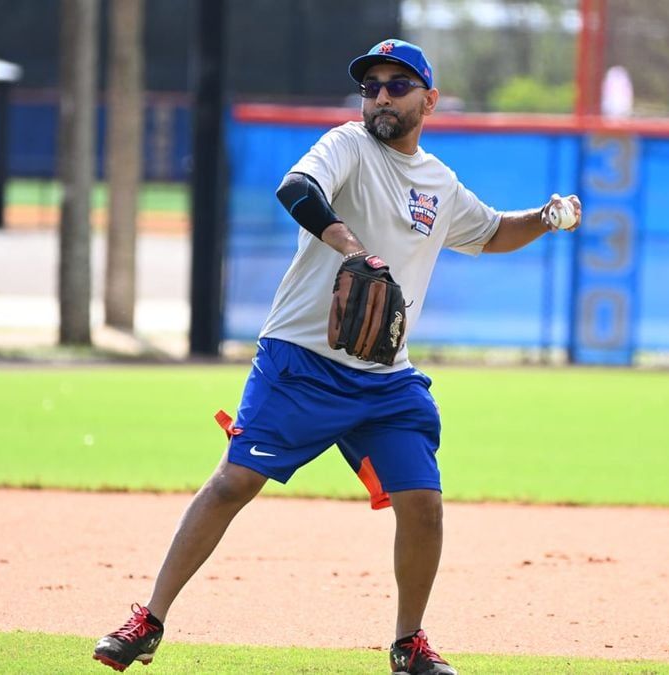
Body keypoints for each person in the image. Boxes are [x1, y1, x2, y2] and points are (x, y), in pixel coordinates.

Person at [93, 38, 581, 675]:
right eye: (371, 84)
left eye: (397, 85)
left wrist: (544, 216)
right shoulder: (347, 145)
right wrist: (349, 245)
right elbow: (296, 188)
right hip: (300, 360)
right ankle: (148, 621)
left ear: (428, 100)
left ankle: (409, 646)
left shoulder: (438, 183)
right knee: (232, 482)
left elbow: (490, 232)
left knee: (424, 504)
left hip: (385, 379)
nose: (380, 95)